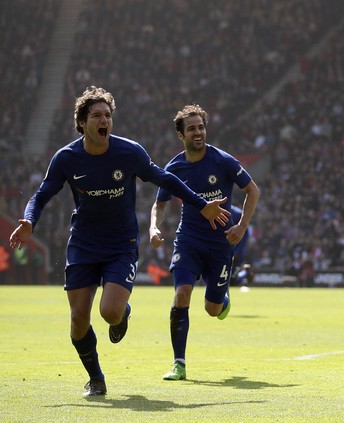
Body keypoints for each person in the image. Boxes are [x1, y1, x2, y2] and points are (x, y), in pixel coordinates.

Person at [8, 87, 231, 397]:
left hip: (120, 245)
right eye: (97, 115)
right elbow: (43, 193)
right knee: (77, 319)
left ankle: (123, 313)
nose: (105, 120)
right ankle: (96, 378)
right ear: (82, 123)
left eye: (108, 115)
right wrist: (30, 220)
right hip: (83, 244)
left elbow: (164, 178)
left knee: (110, 312)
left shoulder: (129, 153)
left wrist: (200, 204)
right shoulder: (67, 158)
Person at [148, 104, 260, 382]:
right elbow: (160, 204)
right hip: (188, 241)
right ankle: (178, 364)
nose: (198, 132)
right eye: (191, 129)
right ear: (181, 135)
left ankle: (222, 300)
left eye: (201, 127)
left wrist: (241, 226)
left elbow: (252, 190)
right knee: (181, 295)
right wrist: (153, 227)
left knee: (213, 309)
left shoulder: (223, 161)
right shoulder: (174, 167)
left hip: (222, 243)